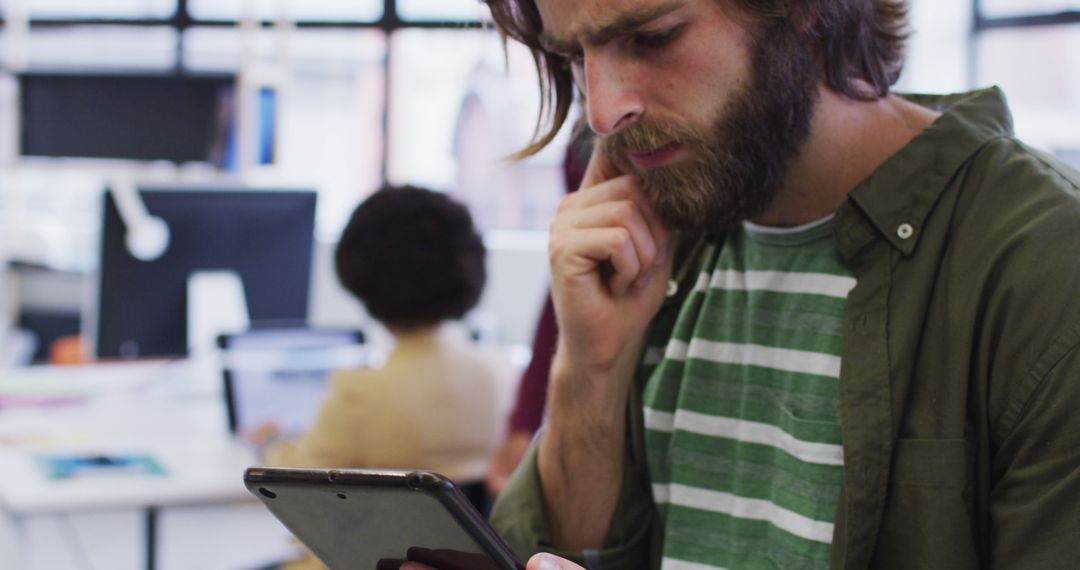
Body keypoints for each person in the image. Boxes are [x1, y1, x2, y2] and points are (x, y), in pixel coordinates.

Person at [468, 0, 1080, 569]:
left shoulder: (1040, 262)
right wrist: (589, 368)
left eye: (652, 37)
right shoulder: (648, 234)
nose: (603, 112)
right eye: (576, 56)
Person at [260, 185, 516, 570]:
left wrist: (272, 442)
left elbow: (299, 492)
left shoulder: (360, 394)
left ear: (361, 274)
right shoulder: (505, 373)